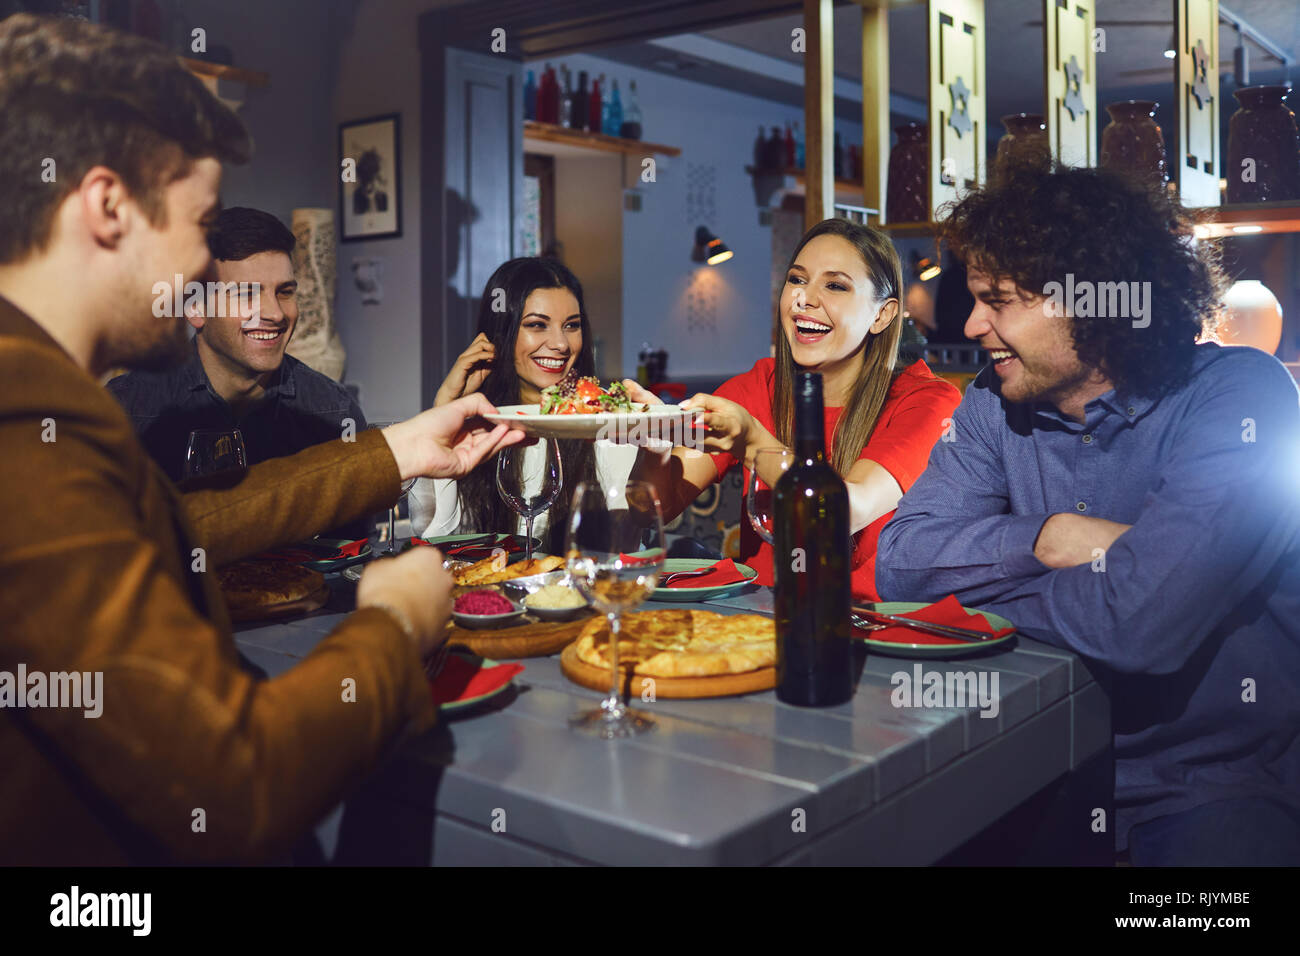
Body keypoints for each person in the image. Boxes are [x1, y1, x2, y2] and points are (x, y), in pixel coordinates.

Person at [0, 13, 522, 864]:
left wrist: (395, 449)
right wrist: (392, 627)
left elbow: (190, 527)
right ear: (106, 206)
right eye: (202, 225)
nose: (211, 270)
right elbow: (230, 785)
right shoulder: (25, 421)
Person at [875, 163, 1300, 866]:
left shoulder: (1242, 398)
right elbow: (903, 562)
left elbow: (1138, 627)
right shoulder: (992, 402)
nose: (971, 322)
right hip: (1031, 760)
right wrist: (1050, 538)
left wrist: (976, 596)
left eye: (997, 300)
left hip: (1211, 787)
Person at [628, 218, 961, 601]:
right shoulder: (760, 386)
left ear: (882, 315)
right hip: (758, 623)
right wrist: (655, 445)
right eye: (797, 279)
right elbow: (651, 510)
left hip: (869, 636)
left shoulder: (926, 401)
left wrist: (753, 444)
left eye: (835, 285)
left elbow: (842, 511)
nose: (804, 299)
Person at [107, 206, 367, 485]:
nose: (276, 313)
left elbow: (357, 529)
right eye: (247, 294)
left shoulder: (334, 415)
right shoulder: (127, 411)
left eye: (285, 292)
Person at [410, 257, 637, 550]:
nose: (561, 344)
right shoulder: (478, 429)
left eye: (572, 325)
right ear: (501, 332)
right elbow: (438, 546)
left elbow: (629, 546)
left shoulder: (609, 426)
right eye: (537, 325)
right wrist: (445, 409)